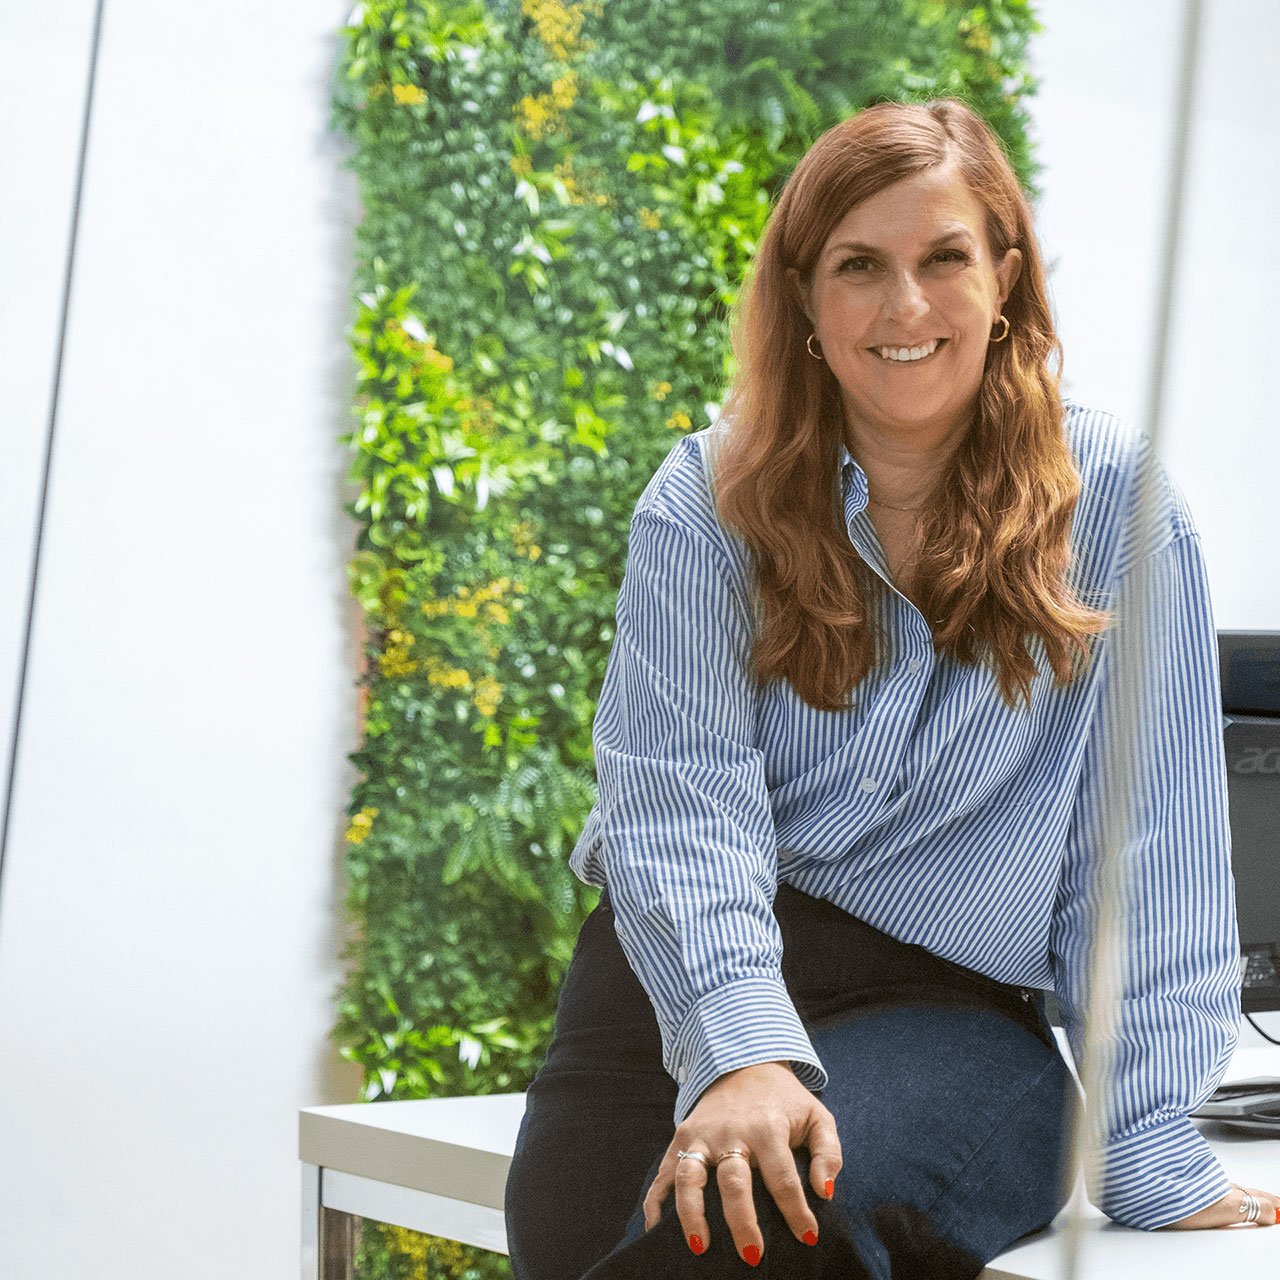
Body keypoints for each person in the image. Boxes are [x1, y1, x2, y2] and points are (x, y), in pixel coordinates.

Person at [503, 97, 1277, 1279]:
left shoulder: (1116, 504)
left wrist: (1152, 1150)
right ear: (804, 293)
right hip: (682, 975)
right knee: (579, 1249)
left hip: (954, 1008)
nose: (903, 306)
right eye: (858, 265)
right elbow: (677, 802)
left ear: (1004, 275)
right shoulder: (704, 503)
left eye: (942, 258)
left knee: (748, 1239)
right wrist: (735, 1050)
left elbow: (1146, 848)